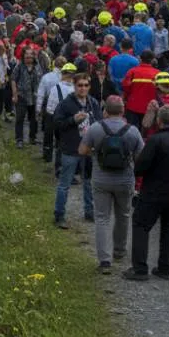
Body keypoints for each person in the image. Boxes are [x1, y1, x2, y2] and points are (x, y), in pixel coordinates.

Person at [80, 96, 145, 273]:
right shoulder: (132, 131)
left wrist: (95, 153)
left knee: (102, 218)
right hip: (125, 180)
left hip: (101, 179)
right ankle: (119, 250)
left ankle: (104, 260)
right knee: (123, 215)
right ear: (123, 111)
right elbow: (141, 157)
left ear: (105, 111)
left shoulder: (95, 128)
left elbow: (82, 150)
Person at [124, 104, 169, 281]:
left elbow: (141, 166)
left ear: (159, 121)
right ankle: (165, 267)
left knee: (141, 225)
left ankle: (140, 268)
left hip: (153, 191)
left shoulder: (155, 140)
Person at [54, 73, 100, 229]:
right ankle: (59, 215)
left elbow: (99, 124)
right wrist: (73, 120)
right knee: (64, 184)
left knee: (88, 183)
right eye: (80, 85)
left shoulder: (93, 103)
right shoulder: (65, 104)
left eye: (86, 85)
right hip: (71, 149)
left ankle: (89, 212)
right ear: (74, 86)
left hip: (88, 150)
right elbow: (57, 124)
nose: (83, 88)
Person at [38, 63, 76, 164]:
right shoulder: (75, 90)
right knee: (61, 142)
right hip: (67, 118)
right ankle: (60, 163)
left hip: (53, 116)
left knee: (49, 137)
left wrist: (44, 112)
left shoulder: (56, 88)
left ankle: (47, 156)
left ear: (63, 74)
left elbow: (50, 106)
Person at [12, 46, 42, 149]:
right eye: (27, 55)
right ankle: (19, 140)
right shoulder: (19, 66)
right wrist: (15, 94)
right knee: (20, 118)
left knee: (34, 119)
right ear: (23, 56)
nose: (29, 57)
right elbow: (13, 80)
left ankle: (32, 138)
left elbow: (41, 80)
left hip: (34, 97)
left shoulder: (38, 66)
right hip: (21, 96)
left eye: (31, 55)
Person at [121, 49, 159, 129]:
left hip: (133, 107)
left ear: (140, 59)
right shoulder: (158, 73)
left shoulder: (132, 71)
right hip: (150, 109)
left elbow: (125, 87)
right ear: (152, 60)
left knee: (132, 131)